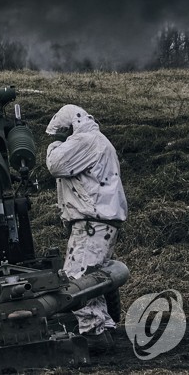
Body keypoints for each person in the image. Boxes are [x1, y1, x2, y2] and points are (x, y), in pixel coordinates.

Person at [45, 104, 128, 355]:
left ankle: (93, 336)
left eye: (61, 133)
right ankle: (104, 329)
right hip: (100, 222)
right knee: (93, 281)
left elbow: (55, 164)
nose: (60, 139)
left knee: (76, 282)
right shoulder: (97, 140)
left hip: (92, 223)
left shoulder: (86, 140)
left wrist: (54, 144)